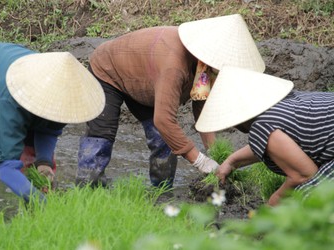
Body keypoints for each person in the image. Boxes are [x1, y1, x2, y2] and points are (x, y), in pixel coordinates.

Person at [76, 14, 265, 187]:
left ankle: (162, 192)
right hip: (108, 71)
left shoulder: (204, 65)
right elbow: (164, 120)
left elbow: (202, 109)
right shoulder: (174, 66)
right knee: (102, 135)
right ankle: (87, 190)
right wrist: (199, 160)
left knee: (163, 140)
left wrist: (214, 154)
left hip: (146, 79)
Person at [0, 42, 105, 216]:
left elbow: (49, 130)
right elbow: (7, 166)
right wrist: (41, 201)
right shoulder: (12, 100)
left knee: (33, 163)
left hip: (1, 78)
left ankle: (35, 218)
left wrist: (44, 162)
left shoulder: (64, 95)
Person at [196, 65, 334, 206]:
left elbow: (303, 175)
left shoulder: (263, 125)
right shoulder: (279, 104)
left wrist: (268, 210)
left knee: (308, 198)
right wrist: (232, 162)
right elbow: (276, 144)